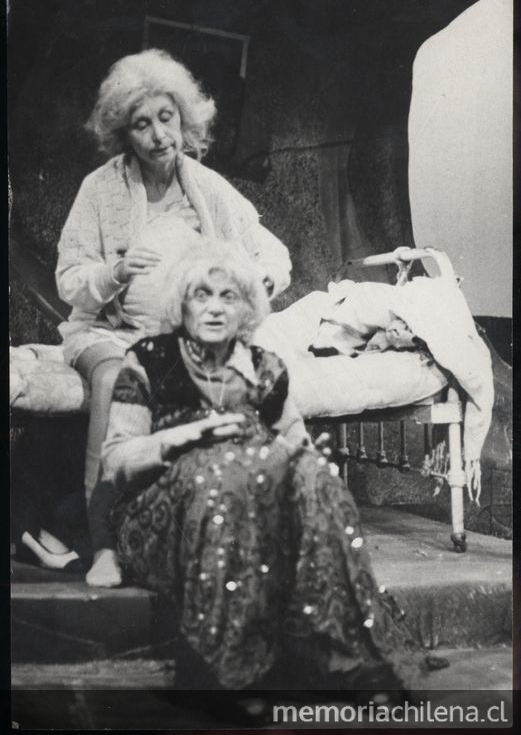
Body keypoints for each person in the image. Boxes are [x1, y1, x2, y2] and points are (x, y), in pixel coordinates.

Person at [101, 241, 410, 693]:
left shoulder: (265, 368)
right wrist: (181, 438)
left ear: (246, 307)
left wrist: (300, 460)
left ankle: (347, 659)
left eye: (228, 296)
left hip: (254, 504)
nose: (214, 308)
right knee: (219, 476)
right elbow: (115, 461)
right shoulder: (148, 358)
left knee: (317, 479)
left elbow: (296, 443)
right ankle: (224, 671)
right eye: (201, 295)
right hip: (165, 516)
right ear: (181, 303)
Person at [55, 49, 291, 587]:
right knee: (115, 378)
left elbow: (272, 254)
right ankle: (104, 545)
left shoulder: (206, 187)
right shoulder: (100, 189)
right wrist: (115, 271)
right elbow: (69, 277)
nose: (159, 135)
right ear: (124, 134)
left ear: (184, 119)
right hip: (108, 331)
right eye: (142, 124)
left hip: (178, 338)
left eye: (167, 118)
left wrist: (254, 285)